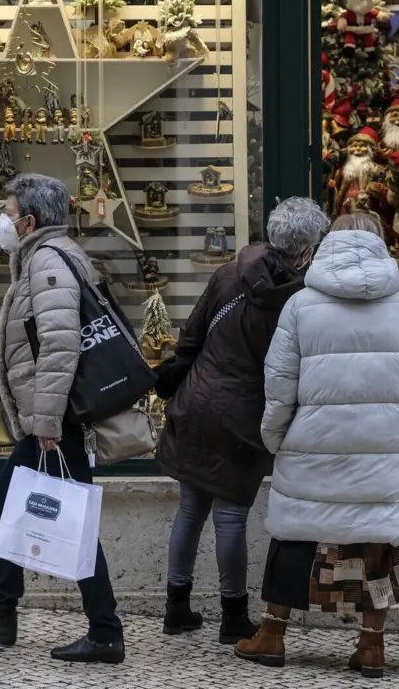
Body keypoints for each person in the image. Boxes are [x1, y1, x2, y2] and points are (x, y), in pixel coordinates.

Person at [234, 213, 399, 679]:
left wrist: (275, 438)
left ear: (328, 242)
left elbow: (279, 386)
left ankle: (272, 635)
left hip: (315, 447)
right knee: (379, 545)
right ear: (381, 245)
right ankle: (371, 647)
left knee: (296, 536)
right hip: (391, 452)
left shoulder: (301, 305)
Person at [0, 174, 125, 664]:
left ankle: (105, 631)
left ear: (28, 220)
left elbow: (61, 347)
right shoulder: (40, 257)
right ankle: (4, 611)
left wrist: (45, 421)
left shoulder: (48, 263)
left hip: (54, 417)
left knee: (72, 518)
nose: (2, 221)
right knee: (7, 496)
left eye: (7, 212)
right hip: (47, 416)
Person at [153, 197, 329, 643]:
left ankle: (177, 608)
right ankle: (233, 617)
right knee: (230, 518)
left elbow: (190, 336)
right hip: (244, 416)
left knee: (190, 510)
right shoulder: (304, 300)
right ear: (307, 249)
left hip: (197, 402)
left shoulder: (229, 274)